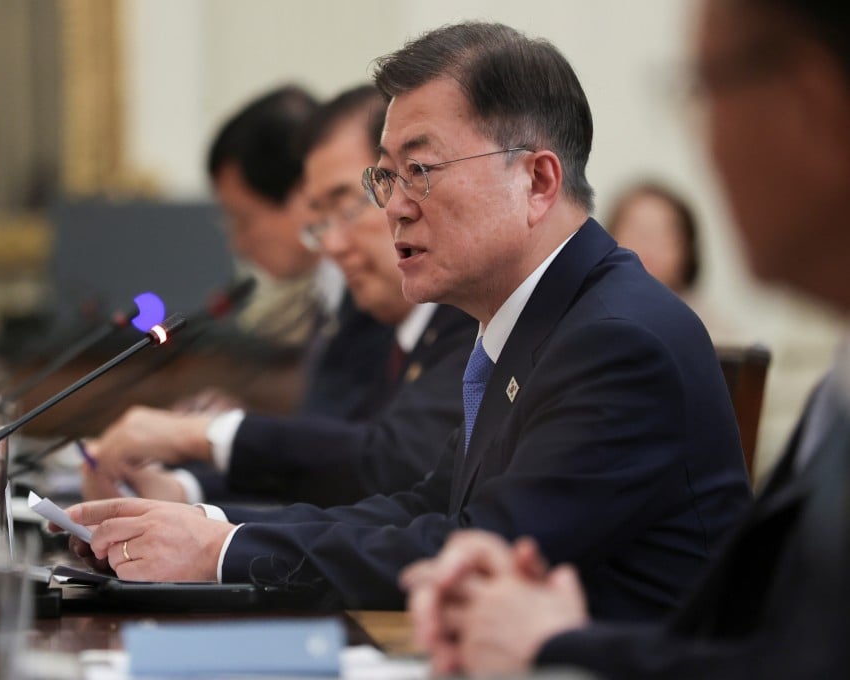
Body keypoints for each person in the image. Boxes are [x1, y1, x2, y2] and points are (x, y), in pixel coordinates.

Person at [59, 21, 750, 616]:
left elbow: (479, 551)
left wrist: (219, 550)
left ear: (538, 181)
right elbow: (421, 507)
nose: (393, 206)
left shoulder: (615, 339)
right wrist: (204, 524)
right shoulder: (538, 320)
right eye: (385, 177)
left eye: (419, 170)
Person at [403, 1, 850, 676]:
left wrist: (552, 643)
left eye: (705, 89)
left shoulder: (618, 335)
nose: (706, 144)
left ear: (811, 103)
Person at [83, 85, 476, 507]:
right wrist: (187, 492)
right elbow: (355, 493)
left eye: (349, 205)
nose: (330, 245)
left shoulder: (466, 316)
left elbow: (388, 466)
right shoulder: (402, 319)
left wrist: (205, 436)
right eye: (321, 218)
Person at [206, 85, 326, 346]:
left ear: (306, 197)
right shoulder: (285, 312)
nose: (238, 244)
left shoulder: (373, 304)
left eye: (243, 220)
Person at [606, 181, 746, 343]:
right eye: (637, 232)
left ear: (687, 249)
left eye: (661, 234)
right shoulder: (589, 316)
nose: (647, 245)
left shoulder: (714, 331)